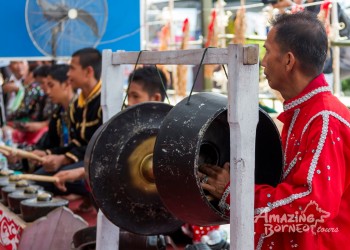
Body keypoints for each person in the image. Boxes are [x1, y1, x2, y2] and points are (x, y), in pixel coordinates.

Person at [200, 11, 350, 249]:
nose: (263, 60)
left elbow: (314, 208)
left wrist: (235, 194)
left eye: (268, 51)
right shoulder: (304, 114)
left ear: (289, 61)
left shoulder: (325, 119)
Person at [53, 66, 167, 192]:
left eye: (135, 96)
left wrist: (81, 172)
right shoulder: (129, 126)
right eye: (128, 96)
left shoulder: (169, 133)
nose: (129, 102)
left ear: (156, 98)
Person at [33, 48, 103, 201]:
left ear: (88, 72)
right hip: (79, 160)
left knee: (53, 178)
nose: (69, 74)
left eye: (72, 68)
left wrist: (63, 159)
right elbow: (77, 142)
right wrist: (50, 155)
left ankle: (84, 195)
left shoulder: (105, 102)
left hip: (100, 165)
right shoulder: (77, 105)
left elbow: (101, 147)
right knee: (38, 177)